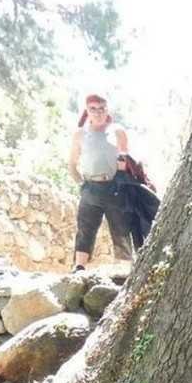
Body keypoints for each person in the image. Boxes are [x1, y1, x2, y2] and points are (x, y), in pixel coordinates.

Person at [69, 94, 133, 271]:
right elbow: (72, 164)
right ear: (87, 111)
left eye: (102, 108)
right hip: (90, 187)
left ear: (107, 109)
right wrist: (81, 184)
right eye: (93, 109)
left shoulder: (117, 131)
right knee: (85, 228)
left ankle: (125, 269)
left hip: (114, 187)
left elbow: (124, 157)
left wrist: (120, 179)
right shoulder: (80, 134)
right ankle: (79, 267)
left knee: (121, 227)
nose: (98, 113)